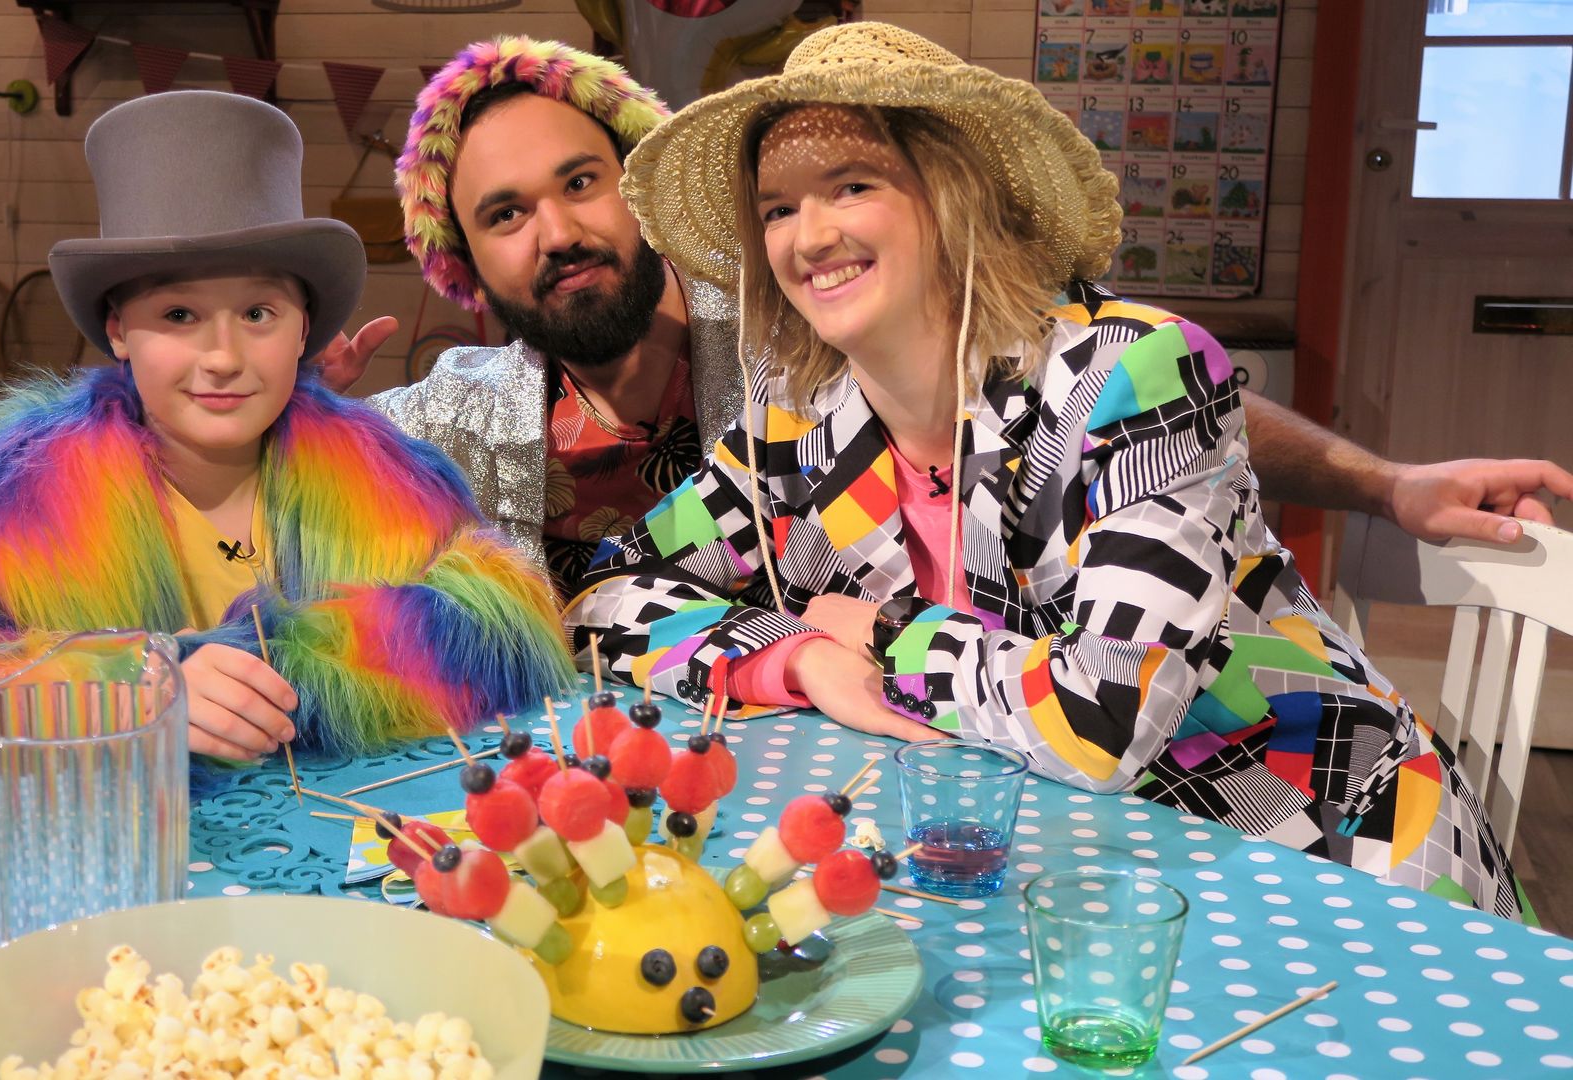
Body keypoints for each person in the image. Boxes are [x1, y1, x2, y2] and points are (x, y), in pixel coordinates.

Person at [564, 23, 1528, 919]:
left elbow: (1100, 719)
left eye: (852, 186)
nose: (808, 237)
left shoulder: (1135, 373)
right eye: (778, 208)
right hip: (1053, 855)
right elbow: (606, 598)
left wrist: (884, 632)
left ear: (952, 196)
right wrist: (801, 652)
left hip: (1313, 843)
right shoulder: (795, 422)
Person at [319, 37, 1571, 600]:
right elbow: (301, 501)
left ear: (638, 196)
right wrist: (286, 408)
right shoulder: (453, 416)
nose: (556, 230)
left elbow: (1127, 405)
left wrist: (1382, 483)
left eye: (582, 182)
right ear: (465, 263)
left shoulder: (804, 331)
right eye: (505, 214)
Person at [0, 91, 570, 790]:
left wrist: (287, 673)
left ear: (303, 328)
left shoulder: (387, 477)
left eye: (257, 314)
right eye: (179, 315)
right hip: (130, 859)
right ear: (118, 329)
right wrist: (127, 692)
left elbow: (508, 630)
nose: (222, 357)